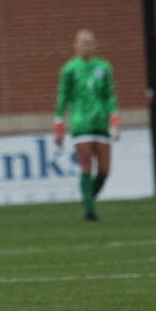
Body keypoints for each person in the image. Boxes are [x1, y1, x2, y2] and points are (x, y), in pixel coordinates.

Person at [54, 29, 120, 221]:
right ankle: (89, 211)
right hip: (80, 123)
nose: (87, 47)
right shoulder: (69, 69)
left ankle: (88, 199)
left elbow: (110, 94)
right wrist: (59, 124)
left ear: (94, 46)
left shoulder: (103, 67)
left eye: (90, 43)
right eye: (83, 43)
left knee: (105, 169)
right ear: (76, 46)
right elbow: (63, 97)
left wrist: (114, 118)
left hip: (100, 122)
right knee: (87, 166)